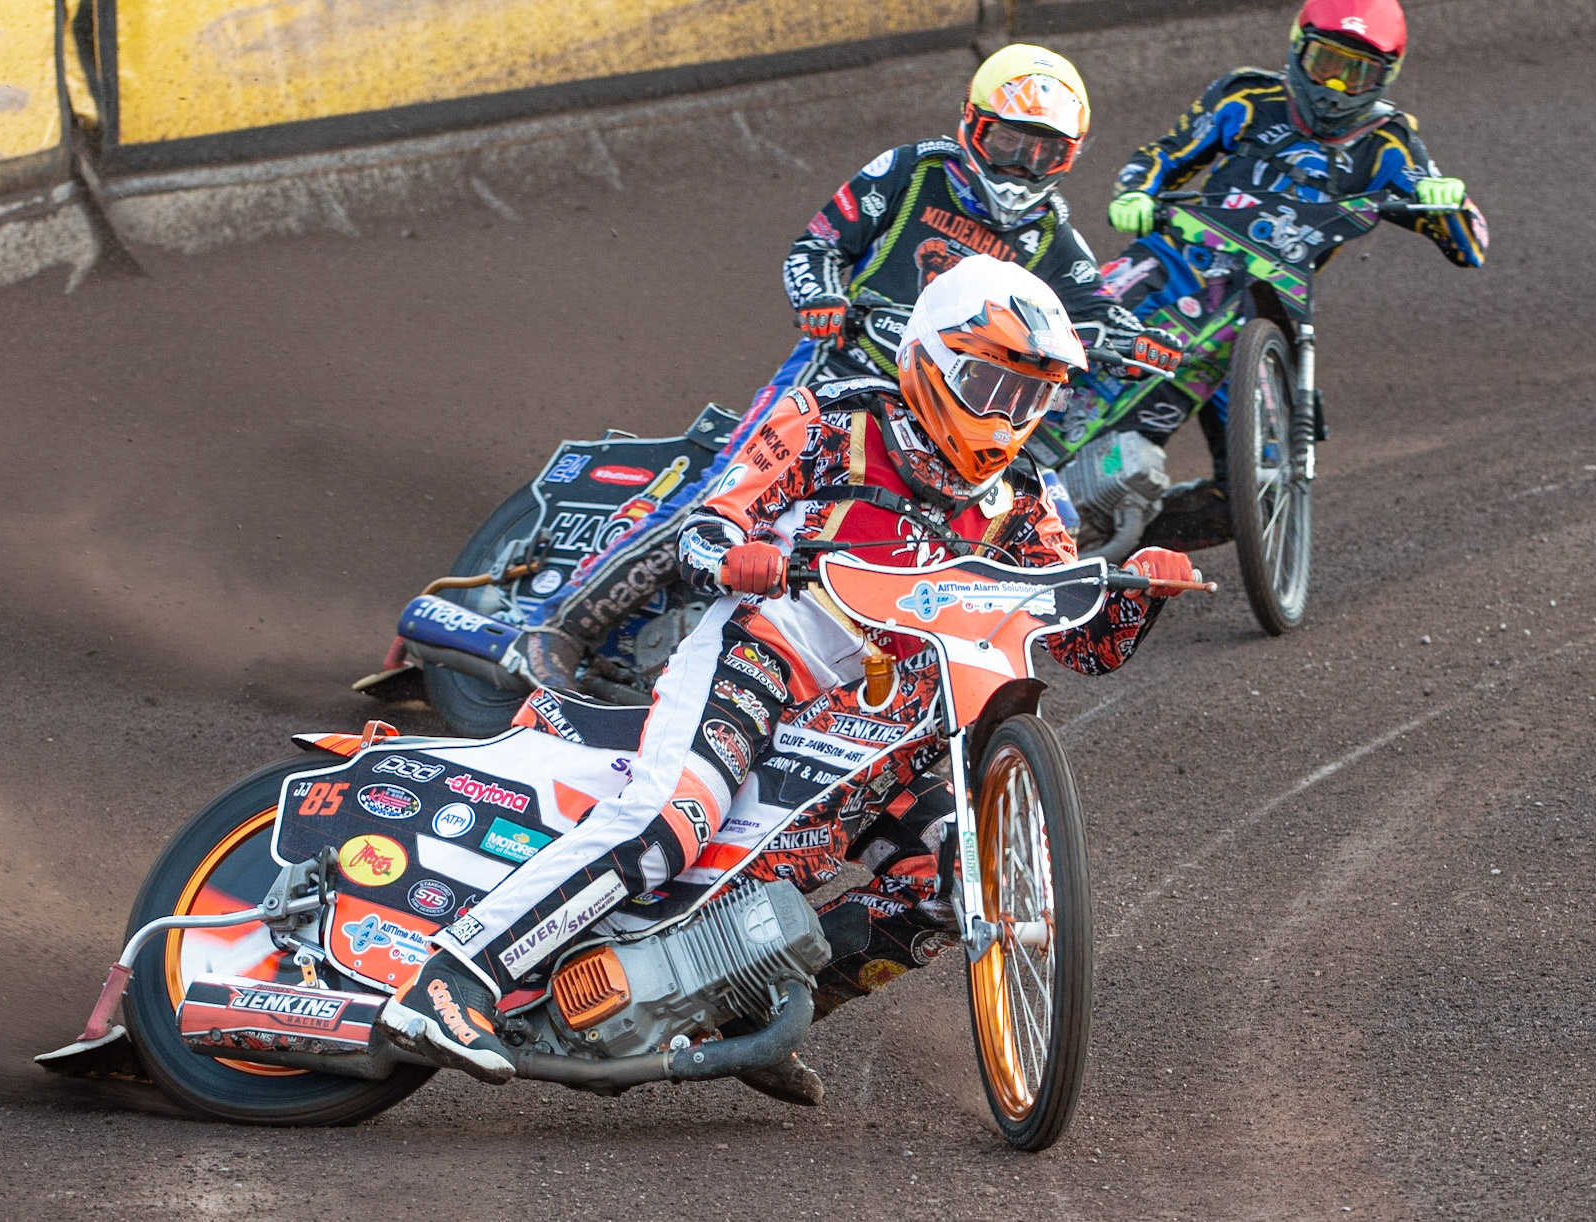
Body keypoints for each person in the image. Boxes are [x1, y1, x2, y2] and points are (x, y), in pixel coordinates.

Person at [381, 256, 1196, 1092]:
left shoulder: (1025, 496)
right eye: (990, 383)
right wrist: (736, 555)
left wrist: (1147, 589)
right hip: (764, 660)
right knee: (666, 826)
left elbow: (1083, 643)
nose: (1007, 413)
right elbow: (709, 519)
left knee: (953, 885)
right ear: (931, 362)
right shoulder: (826, 418)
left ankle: (743, 1014)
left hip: (899, 720)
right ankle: (450, 981)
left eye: (1029, 396)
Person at [507, 43, 1181, 693]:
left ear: (1070, 157)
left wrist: (1140, 341)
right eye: (1009, 144)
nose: (1022, 167)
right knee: (719, 498)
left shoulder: (1050, 236)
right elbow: (818, 243)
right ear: (972, 126)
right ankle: (559, 630)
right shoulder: (909, 172)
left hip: (942, 414)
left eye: (1046, 153)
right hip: (838, 372)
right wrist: (822, 296)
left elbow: (1091, 312)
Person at [1093, 0, 1487, 529]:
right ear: (1298, 47)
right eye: (1327, 64)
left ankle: (1128, 541)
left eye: (1357, 74)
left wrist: (1448, 199)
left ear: (1385, 78)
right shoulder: (1247, 96)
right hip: (1176, 260)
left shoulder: (1388, 143)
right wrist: (1135, 192)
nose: (1335, 88)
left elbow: (1470, 245)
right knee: (1079, 340)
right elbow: (1163, 154)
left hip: (1265, 311)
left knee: (1260, 495)